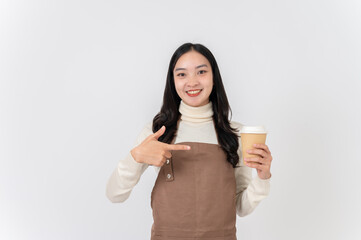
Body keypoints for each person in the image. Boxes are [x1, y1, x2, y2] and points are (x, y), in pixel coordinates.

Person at [106, 42, 273, 239]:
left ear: (214, 77)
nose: (192, 82)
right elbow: (115, 194)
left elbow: (241, 207)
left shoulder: (235, 134)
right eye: (182, 74)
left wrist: (263, 177)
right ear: (173, 81)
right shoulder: (158, 132)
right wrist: (135, 158)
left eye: (201, 72)